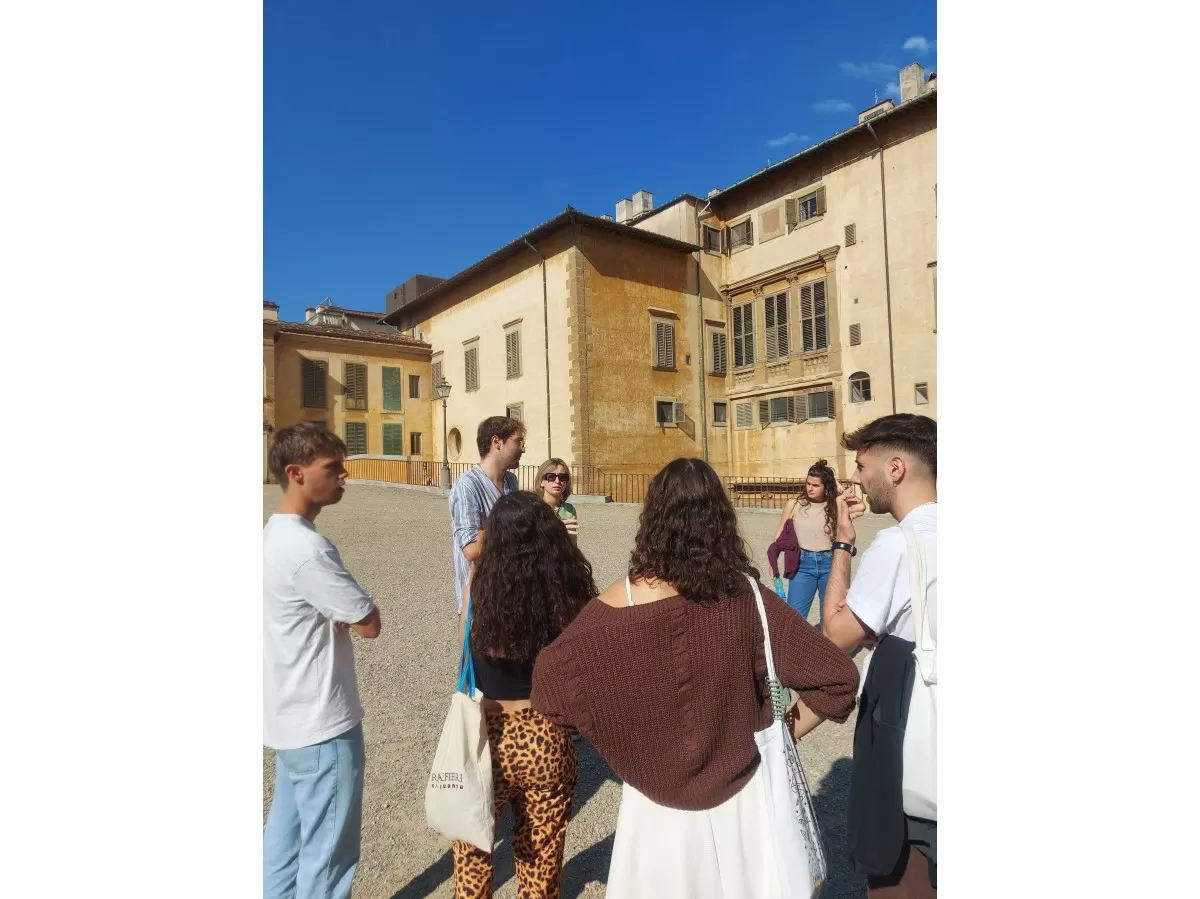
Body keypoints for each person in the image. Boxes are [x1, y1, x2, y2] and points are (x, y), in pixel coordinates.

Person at [530, 457, 860, 899]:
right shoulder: (747, 599)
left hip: (653, 815)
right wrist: (784, 730)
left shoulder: (616, 604)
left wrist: (625, 734)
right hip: (745, 804)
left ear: (652, 518)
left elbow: (550, 685)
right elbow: (838, 678)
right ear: (720, 520)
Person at [452, 491, 597, 899]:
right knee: (541, 861)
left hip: (486, 734)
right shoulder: (566, 591)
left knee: (472, 852)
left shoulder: (481, 584)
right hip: (545, 732)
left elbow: (465, 648)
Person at [818, 413, 938, 897]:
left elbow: (835, 634)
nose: (855, 478)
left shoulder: (898, 544)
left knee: (903, 878)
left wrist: (843, 542)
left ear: (895, 468)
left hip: (910, 745)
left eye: (862, 465)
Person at [263, 423, 383, 899]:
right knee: (327, 861)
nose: (344, 476)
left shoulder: (271, 536)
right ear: (296, 472)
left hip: (289, 720)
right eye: (332, 468)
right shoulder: (308, 548)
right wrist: (345, 614)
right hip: (323, 724)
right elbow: (368, 621)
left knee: (284, 846)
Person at [448, 416, 525, 615]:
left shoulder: (511, 481)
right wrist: (516, 525)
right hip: (480, 602)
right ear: (496, 442)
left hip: (511, 595)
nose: (523, 449)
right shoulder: (467, 485)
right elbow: (471, 550)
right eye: (518, 441)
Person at [535, 458, 579, 545]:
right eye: (551, 477)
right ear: (541, 481)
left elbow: (572, 543)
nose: (558, 481)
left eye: (563, 477)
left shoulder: (569, 510)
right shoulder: (533, 508)